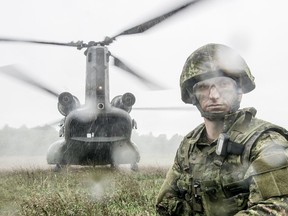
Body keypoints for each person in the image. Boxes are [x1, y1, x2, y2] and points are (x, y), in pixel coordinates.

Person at [155, 43, 288, 215]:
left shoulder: (265, 141)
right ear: (193, 97)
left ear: (239, 92)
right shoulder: (189, 146)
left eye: (223, 85)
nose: (214, 95)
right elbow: (165, 204)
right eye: (203, 87)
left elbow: (278, 207)